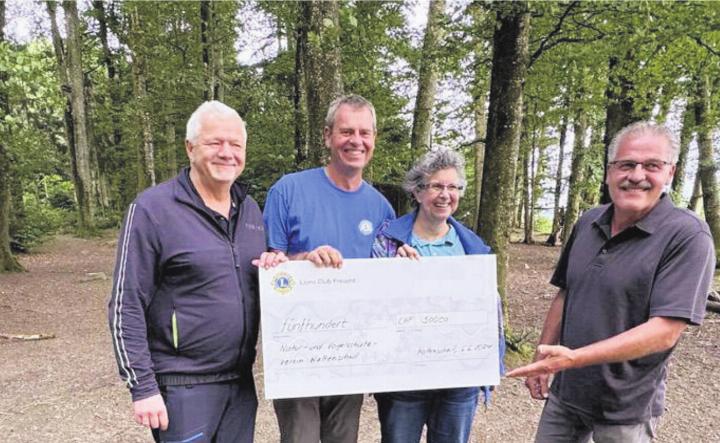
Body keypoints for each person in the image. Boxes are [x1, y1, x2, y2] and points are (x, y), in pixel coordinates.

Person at [507, 121, 716, 442]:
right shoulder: (589, 221)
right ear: (609, 172)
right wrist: (543, 358)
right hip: (567, 394)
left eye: (652, 165)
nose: (636, 175)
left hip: (626, 405)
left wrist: (575, 358)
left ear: (670, 173)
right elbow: (566, 292)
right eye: (626, 164)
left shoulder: (688, 235)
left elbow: (664, 332)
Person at [108, 101, 277, 443]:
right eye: (215, 142)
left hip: (240, 384)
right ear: (190, 147)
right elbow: (126, 303)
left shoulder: (249, 210)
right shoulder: (153, 209)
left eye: (236, 144)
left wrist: (275, 273)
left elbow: (245, 281)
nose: (226, 153)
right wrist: (142, 386)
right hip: (183, 387)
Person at [263, 94, 396, 443]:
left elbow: (387, 282)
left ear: (374, 140)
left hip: (352, 350)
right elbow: (267, 268)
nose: (356, 141)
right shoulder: (287, 191)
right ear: (327, 136)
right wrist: (303, 262)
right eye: (346, 131)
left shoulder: (381, 208)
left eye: (364, 133)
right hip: (297, 347)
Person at [370, 148, 506, 443]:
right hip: (403, 379)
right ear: (418, 192)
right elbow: (370, 306)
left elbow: (490, 314)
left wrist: (491, 365)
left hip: (458, 381)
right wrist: (390, 274)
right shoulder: (387, 241)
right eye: (436, 186)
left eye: (453, 187)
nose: (445, 194)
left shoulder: (473, 247)